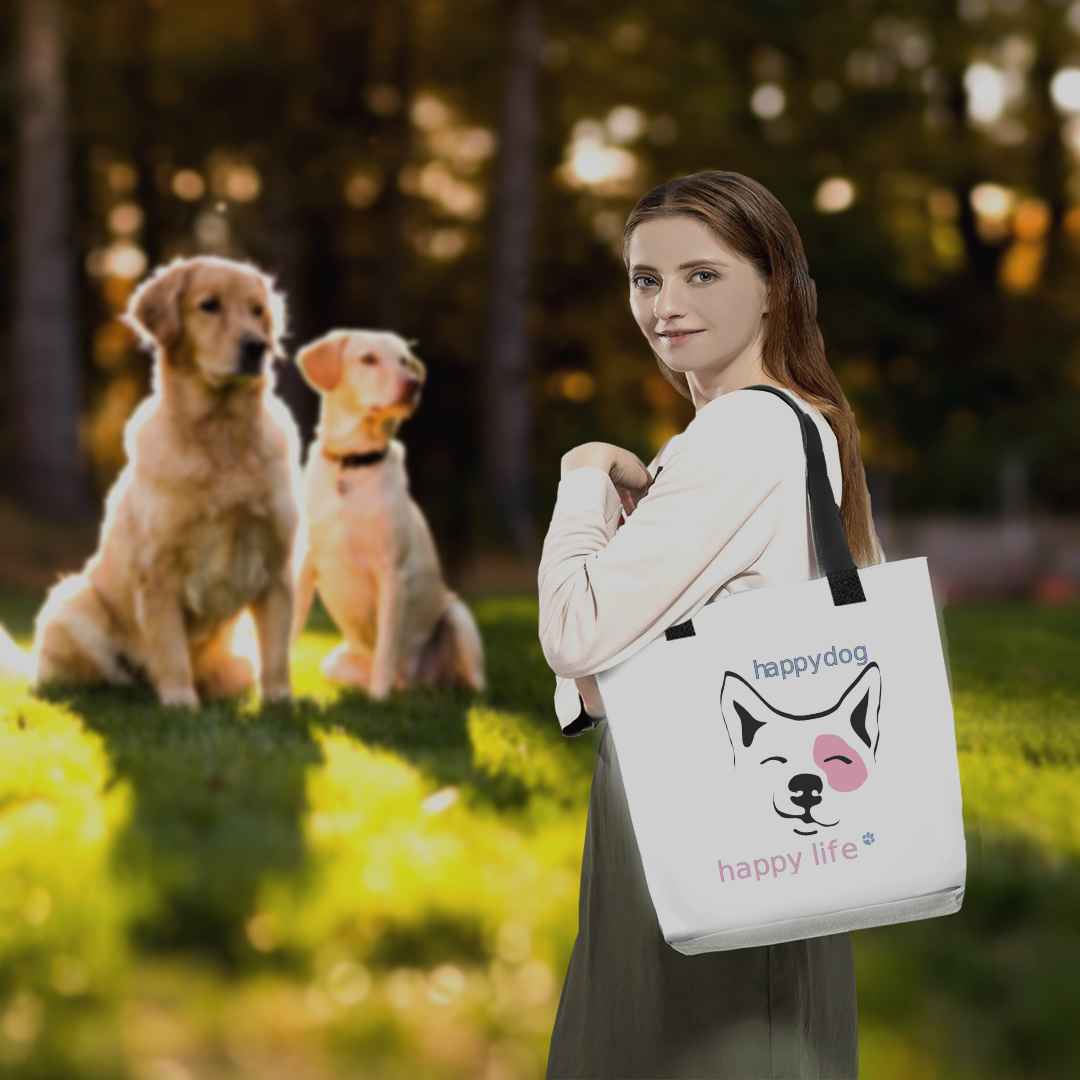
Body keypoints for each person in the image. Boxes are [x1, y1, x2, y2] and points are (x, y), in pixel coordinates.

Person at [537, 170, 886, 1079]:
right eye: (646, 279)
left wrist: (581, 477)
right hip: (756, 815)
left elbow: (575, 636)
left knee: (685, 1044)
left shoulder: (741, 435)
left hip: (704, 809)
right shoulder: (799, 425)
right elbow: (611, 657)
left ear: (771, 283)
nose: (664, 305)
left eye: (702, 275)